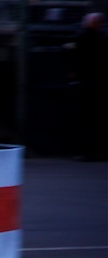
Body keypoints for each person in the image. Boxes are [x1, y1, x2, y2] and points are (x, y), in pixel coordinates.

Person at [66, 12, 108, 160]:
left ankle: (88, 152)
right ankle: (96, 151)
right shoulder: (101, 38)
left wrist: (74, 72)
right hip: (98, 83)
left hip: (88, 83)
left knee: (87, 118)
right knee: (97, 118)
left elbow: (74, 58)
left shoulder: (83, 37)